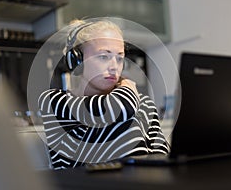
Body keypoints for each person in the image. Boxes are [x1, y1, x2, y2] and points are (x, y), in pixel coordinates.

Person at [38, 19, 169, 170]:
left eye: (120, 58)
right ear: (77, 60)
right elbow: (116, 109)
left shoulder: (143, 103)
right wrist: (127, 88)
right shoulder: (54, 102)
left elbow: (162, 158)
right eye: (103, 57)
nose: (114, 67)